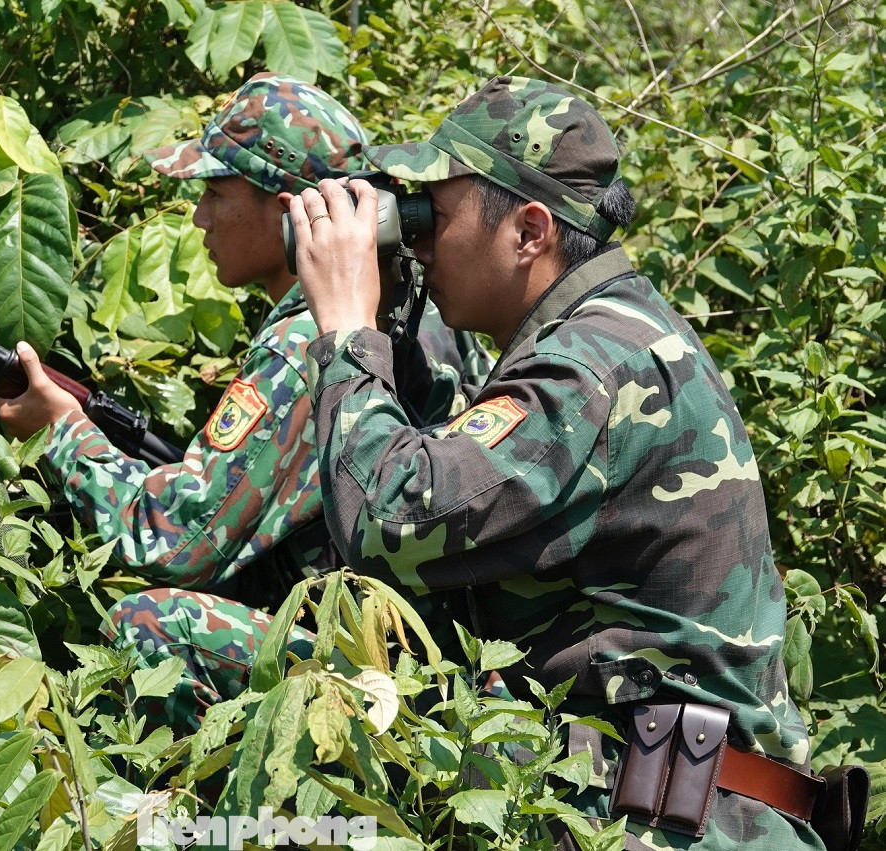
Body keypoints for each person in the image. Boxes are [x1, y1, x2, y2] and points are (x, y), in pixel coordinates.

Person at [287, 76, 822, 850]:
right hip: (666, 806)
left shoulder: (592, 366)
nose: (419, 241)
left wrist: (344, 329)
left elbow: (390, 519)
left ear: (529, 231)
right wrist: (393, 322)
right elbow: (458, 476)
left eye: (434, 216)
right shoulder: (605, 333)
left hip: (674, 826)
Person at [0, 73, 490, 730]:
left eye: (214, 193)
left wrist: (62, 431)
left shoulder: (309, 338)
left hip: (387, 687)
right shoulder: (419, 304)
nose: (198, 217)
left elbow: (176, 541)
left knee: (150, 627)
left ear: (287, 213)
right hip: (438, 659)